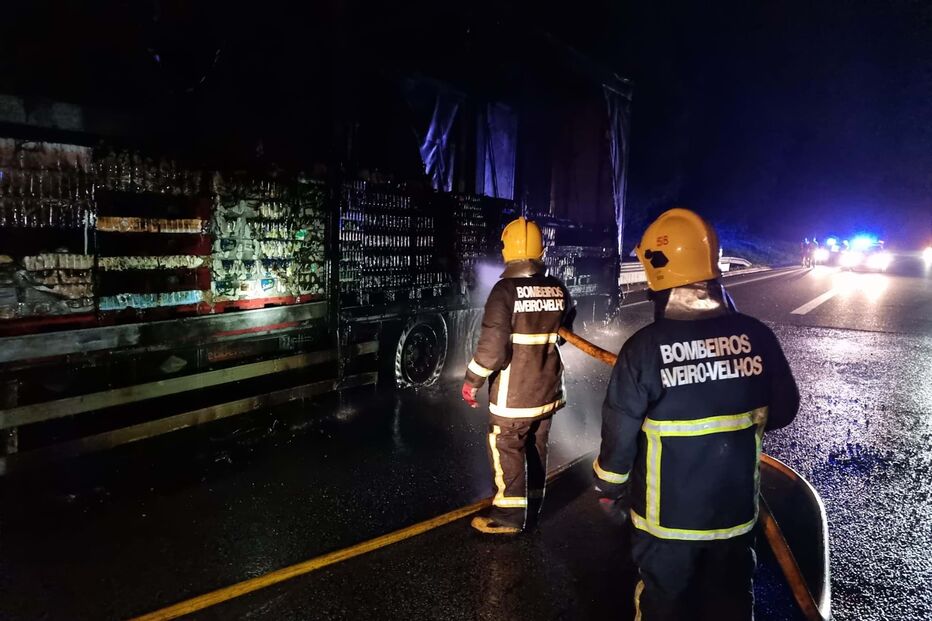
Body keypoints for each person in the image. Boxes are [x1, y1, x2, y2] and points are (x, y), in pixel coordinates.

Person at [594, 208, 799, 620]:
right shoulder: (757, 336)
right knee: (730, 605)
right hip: (735, 518)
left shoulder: (644, 349)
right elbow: (784, 412)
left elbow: (619, 433)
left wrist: (607, 487)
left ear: (658, 267)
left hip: (665, 524)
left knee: (663, 605)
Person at [462, 216, 575, 535]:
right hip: (549, 391)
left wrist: (472, 380)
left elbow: (493, 350)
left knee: (507, 445)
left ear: (508, 250)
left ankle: (509, 516)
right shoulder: (557, 287)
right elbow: (566, 333)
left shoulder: (504, 291)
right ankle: (533, 505)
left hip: (515, 396)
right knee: (537, 446)